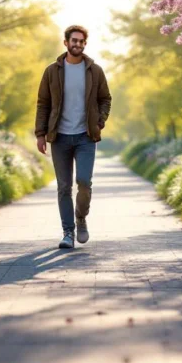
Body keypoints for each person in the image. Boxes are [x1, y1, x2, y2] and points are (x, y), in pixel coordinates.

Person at [35, 25, 112, 249]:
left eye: (81, 41)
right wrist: (40, 134)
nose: (77, 44)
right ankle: (68, 232)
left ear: (84, 44)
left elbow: (105, 98)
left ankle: (81, 218)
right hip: (59, 137)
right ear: (66, 42)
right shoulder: (52, 71)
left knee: (84, 182)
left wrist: (100, 121)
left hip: (85, 137)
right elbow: (43, 104)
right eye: (73, 40)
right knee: (64, 187)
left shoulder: (94, 71)